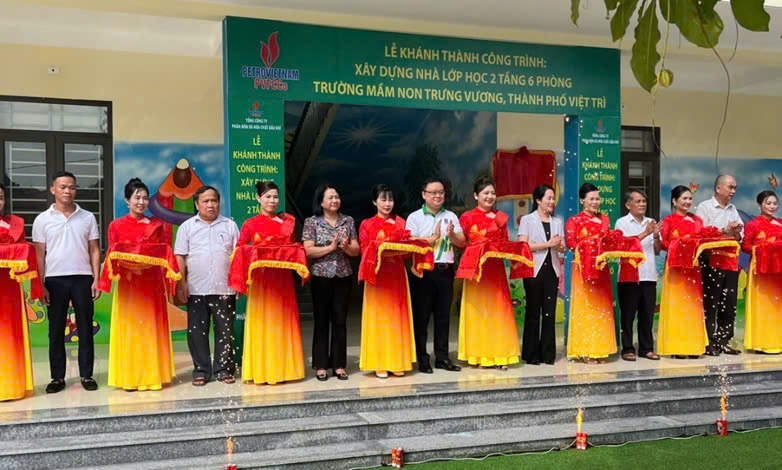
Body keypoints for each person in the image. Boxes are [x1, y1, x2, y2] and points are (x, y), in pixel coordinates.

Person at [99, 178, 179, 391]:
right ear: (127, 200)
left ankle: (153, 375)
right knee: (130, 328)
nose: (141, 202)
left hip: (151, 283)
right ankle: (129, 377)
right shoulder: (116, 225)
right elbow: (111, 255)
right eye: (137, 198)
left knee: (151, 327)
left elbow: (165, 254)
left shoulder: (157, 225)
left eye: (145, 198)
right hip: (128, 285)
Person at [229, 181, 308, 385]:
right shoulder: (250, 223)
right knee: (263, 322)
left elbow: (292, 248)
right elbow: (240, 250)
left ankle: (285, 370)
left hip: (282, 281)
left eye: (275, 197)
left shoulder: (288, 222)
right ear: (258, 199)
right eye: (267, 196)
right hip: (261, 282)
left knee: (282, 321)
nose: (272, 200)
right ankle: (262, 370)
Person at [33, 171, 101, 393]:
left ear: (76, 190)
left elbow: (94, 249)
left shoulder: (87, 217)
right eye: (62, 187)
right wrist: (40, 284)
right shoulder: (42, 219)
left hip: (83, 278)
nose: (67, 191)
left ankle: (86, 375)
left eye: (71, 187)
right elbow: (39, 254)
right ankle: (57, 378)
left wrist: (96, 279)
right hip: (54, 280)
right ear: (53, 189)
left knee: (84, 328)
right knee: (55, 330)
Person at [456, 177, 533, 370]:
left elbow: (505, 244)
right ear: (476, 196)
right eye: (485, 193)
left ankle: (501, 355)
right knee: (479, 312)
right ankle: (480, 356)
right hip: (476, 272)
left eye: (492, 193)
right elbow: (462, 243)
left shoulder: (501, 217)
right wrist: (450, 234)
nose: (490, 197)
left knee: (499, 312)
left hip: (496, 271)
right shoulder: (466, 217)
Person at [175, 185, 240, 386]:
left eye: (214, 200)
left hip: (224, 288)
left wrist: (237, 281)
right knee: (197, 332)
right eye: (206, 201)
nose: (210, 205)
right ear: (197, 204)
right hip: (196, 288)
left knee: (225, 330)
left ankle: (223, 369)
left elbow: (238, 256)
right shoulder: (187, 227)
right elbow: (179, 255)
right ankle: (201, 370)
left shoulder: (229, 225)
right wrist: (182, 283)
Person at [358, 184, 425, 378]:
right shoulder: (367, 224)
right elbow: (364, 250)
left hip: (396, 275)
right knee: (378, 318)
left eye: (390, 200)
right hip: (376, 275)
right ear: (374, 202)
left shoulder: (400, 223)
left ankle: (397, 361)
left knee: (397, 316)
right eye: (383, 199)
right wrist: (381, 250)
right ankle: (379, 362)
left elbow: (406, 251)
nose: (388, 204)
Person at [406, 178, 465, 374]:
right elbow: (410, 243)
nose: (438, 195)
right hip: (422, 271)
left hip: (445, 271)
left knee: (443, 317)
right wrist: (432, 238)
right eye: (433, 192)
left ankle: (442, 358)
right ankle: (422, 359)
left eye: (441, 192)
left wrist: (452, 235)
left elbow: (461, 242)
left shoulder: (451, 216)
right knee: (421, 318)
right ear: (424, 194)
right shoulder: (414, 217)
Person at [302, 184, 360, 381]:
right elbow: (308, 251)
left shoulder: (348, 221)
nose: (335, 200)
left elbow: (356, 250)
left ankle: (338, 364)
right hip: (321, 277)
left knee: (340, 321)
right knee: (321, 321)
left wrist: (345, 247)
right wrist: (330, 247)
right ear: (321, 202)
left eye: (337, 196)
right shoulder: (312, 222)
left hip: (343, 276)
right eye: (330, 197)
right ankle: (320, 365)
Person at [0, 183, 43, 401]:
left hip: (9, 287)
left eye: (0, 197)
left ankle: (11, 385)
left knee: (11, 334)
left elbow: (25, 249)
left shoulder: (16, 223)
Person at [565, 183, 615, 363]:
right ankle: (585, 350)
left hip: (601, 269)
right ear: (582, 200)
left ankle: (600, 350)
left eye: (597, 198)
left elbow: (609, 242)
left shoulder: (605, 220)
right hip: (583, 269)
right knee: (586, 307)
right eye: (591, 199)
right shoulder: (575, 221)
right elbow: (571, 243)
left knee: (601, 307)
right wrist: (591, 243)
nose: (595, 202)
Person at [657, 186, 708, 358]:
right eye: (684, 199)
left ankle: (693, 346)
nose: (687, 202)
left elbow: (703, 241)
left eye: (690, 199)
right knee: (677, 306)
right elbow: (664, 244)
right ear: (674, 201)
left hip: (693, 269)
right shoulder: (668, 221)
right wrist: (682, 243)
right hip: (675, 269)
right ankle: (677, 346)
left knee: (692, 307)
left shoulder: (698, 221)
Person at [695, 175, 743, 355]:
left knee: (729, 302)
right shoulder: (704, 207)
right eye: (730, 187)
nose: (733, 191)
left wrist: (736, 233)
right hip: (711, 260)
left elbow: (741, 236)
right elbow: (700, 235)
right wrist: (725, 231)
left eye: (735, 188)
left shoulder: (733, 209)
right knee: (711, 302)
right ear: (718, 188)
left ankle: (724, 340)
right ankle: (709, 341)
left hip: (730, 261)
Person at [517, 184, 565, 365]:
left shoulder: (557, 222)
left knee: (549, 313)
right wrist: (548, 244)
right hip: (533, 269)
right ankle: (531, 354)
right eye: (549, 198)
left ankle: (548, 354)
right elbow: (523, 246)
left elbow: (559, 248)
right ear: (538, 200)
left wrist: (560, 246)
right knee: (532, 312)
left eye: (553, 198)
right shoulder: (527, 220)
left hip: (551, 270)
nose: (552, 202)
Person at [615, 190, 662, 361]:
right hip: (629, 277)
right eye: (638, 201)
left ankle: (646, 348)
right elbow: (624, 246)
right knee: (627, 316)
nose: (642, 204)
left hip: (648, 275)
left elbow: (657, 249)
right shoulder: (621, 223)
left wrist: (656, 234)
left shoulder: (651, 222)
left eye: (644, 201)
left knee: (647, 315)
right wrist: (646, 233)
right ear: (628, 205)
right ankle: (627, 348)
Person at [742, 191, 782, 354]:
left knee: (777, 305)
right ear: (760, 205)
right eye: (768, 203)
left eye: (774, 203)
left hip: (778, 271)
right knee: (761, 305)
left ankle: (777, 341)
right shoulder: (753, 225)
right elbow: (745, 246)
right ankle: (760, 343)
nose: (772, 206)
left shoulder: (780, 223)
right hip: (759, 270)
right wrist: (763, 248)